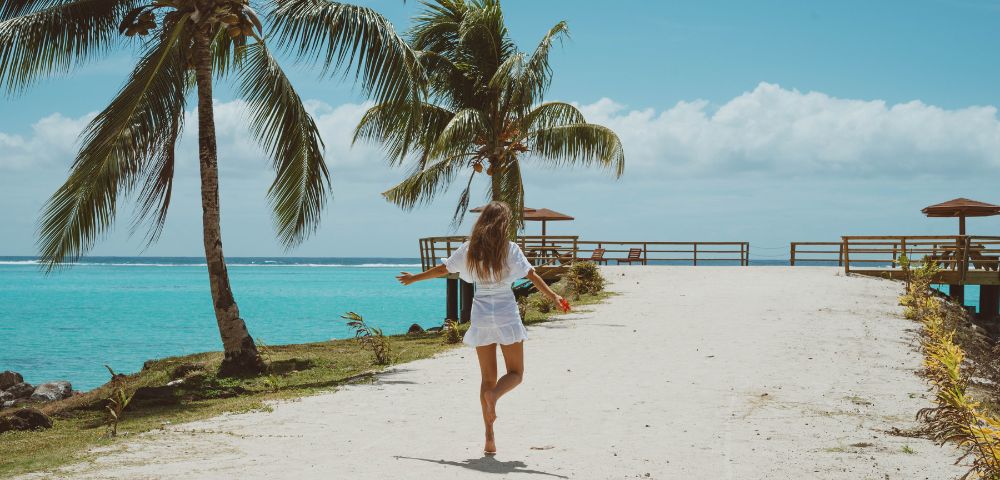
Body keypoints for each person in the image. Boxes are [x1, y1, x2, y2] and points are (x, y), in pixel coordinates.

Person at [396, 201, 568, 456]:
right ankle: (495, 397)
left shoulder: (470, 249)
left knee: (487, 378)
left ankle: (489, 437)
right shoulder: (510, 249)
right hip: (506, 311)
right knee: (516, 373)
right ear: (504, 224)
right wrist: (554, 297)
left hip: (481, 313)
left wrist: (414, 278)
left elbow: (444, 269)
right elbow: (532, 275)